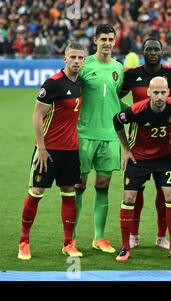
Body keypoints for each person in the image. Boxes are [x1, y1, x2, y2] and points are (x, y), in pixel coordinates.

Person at [119, 38, 171, 251]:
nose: (153, 52)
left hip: (167, 143)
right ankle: (133, 235)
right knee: (135, 193)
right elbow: (112, 99)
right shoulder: (131, 75)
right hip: (138, 144)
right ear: (142, 52)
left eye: (156, 49)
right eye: (149, 49)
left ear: (163, 51)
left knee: (164, 193)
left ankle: (161, 236)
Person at [18, 42, 85, 260]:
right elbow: (37, 115)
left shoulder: (81, 83)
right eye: (73, 57)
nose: (76, 61)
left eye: (80, 58)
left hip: (71, 150)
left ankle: (68, 243)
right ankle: (24, 242)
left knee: (69, 193)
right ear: (65, 59)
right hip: (48, 151)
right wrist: (42, 148)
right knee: (36, 192)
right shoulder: (53, 84)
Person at [113, 77, 171, 261]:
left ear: (169, 92)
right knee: (129, 198)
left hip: (164, 158)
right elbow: (116, 121)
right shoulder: (137, 110)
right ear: (148, 93)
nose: (160, 96)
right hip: (139, 158)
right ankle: (125, 246)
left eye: (163, 92)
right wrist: (126, 149)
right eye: (156, 92)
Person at [73, 24, 126, 253]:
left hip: (110, 136)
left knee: (103, 185)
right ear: (95, 40)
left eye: (110, 39)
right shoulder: (85, 65)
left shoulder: (119, 68)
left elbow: (115, 98)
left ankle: (99, 238)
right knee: (78, 185)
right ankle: (71, 238)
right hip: (84, 134)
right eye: (103, 38)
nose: (107, 42)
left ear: (115, 41)